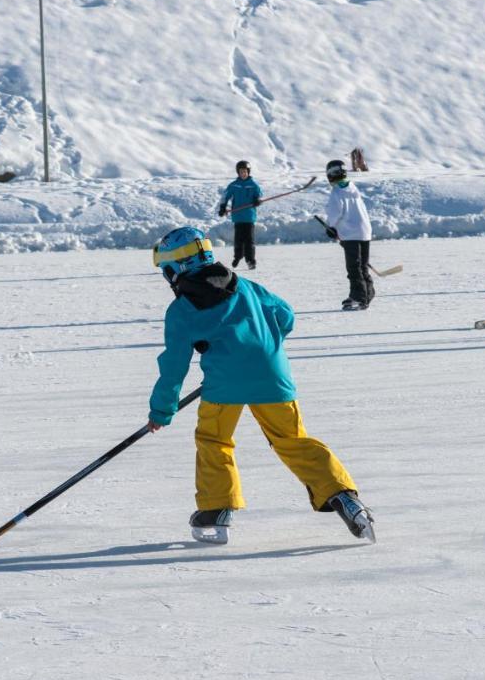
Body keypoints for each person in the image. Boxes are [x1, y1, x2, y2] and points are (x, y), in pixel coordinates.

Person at [145, 226, 375, 544]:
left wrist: (162, 410)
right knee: (292, 440)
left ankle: (216, 510)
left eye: (167, 271)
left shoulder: (181, 310)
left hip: (224, 385)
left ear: (179, 268)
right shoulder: (246, 287)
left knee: (214, 440)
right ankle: (343, 495)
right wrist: (260, 345)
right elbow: (285, 315)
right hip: (273, 375)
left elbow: (173, 367)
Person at [324, 158, 374, 310]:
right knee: (362, 266)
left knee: (354, 267)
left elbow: (335, 212)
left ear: (331, 175)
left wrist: (331, 227)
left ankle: (359, 297)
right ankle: (366, 293)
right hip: (364, 232)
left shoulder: (337, 192)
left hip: (351, 234)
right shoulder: (353, 188)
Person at [216, 160, 263, 269]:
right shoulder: (234, 185)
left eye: (245, 172)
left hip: (249, 217)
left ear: (248, 172)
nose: (243, 174)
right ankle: (238, 256)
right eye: (241, 172)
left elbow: (259, 196)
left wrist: (257, 201)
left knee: (249, 241)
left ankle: (250, 261)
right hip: (237, 217)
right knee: (238, 240)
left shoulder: (253, 185)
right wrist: (223, 207)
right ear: (238, 172)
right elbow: (225, 196)